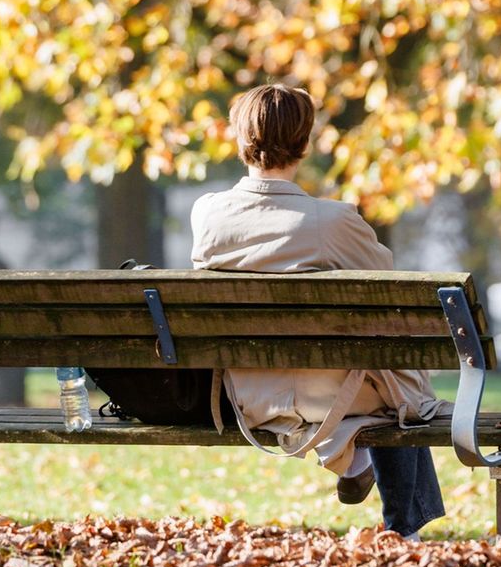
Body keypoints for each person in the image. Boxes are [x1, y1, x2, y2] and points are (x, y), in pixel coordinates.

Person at [190, 84, 449, 540]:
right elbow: (387, 289)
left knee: (380, 370)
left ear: (239, 141)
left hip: (249, 393)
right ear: (305, 144)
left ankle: (353, 459)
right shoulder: (332, 221)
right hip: (332, 394)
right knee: (398, 376)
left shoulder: (208, 214)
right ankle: (398, 522)